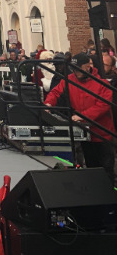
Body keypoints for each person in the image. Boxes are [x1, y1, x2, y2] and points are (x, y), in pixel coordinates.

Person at [45, 52, 115, 181]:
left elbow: (102, 106)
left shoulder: (102, 83)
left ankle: (110, 196)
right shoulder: (69, 79)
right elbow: (55, 92)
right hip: (84, 134)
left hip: (101, 134)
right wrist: (48, 104)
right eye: (73, 69)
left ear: (87, 66)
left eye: (78, 69)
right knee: (90, 169)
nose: (76, 73)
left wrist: (82, 116)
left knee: (106, 170)